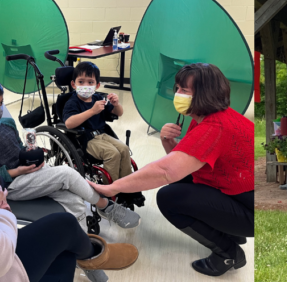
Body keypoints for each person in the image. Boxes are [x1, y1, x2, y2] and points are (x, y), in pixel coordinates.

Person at [0, 40, 137, 282]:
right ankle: (103, 214)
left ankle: (86, 254)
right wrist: (2, 210)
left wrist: (30, 154)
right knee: (67, 182)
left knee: (73, 207)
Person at [90, 63, 253, 276]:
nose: (177, 94)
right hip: (238, 194)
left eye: (185, 90)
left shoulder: (214, 127)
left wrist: (113, 188)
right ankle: (229, 232)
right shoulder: (212, 117)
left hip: (251, 211)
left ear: (205, 93)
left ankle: (228, 254)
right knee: (180, 184)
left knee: (169, 198)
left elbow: (166, 170)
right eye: (177, 88)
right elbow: (185, 164)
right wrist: (168, 141)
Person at [0, 78, 140, 232]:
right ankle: (105, 206)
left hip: (28, 170)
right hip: (11, 184)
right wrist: (18, 171)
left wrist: (30, 154)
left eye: (1, 103)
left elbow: (19, 148)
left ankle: (82, 242)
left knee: (75, 200)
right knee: (67, 173)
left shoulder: (8, 123)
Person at [63, 62, 132, 182]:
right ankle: (109, 189)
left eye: (90, 82)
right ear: (73, 84)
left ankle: (126, 184)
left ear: (97, 85)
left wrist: (116, 104)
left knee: (124, 149)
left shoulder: (98, 98)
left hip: (103, 134)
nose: (85, 85)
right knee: (113, 154)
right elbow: (68, 123)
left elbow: (119, 113)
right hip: (85, 139)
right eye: (81, 82)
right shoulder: (72, 102)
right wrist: (92, 111)